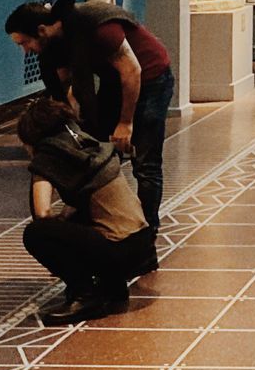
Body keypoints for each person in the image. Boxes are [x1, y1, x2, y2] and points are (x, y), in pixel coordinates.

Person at [5, 0, 174, 242]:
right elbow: (64, 90)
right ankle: (98, 223)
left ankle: (146, 233)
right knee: (96, 154)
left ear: (41, 30)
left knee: (145, 162)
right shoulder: (55, 45)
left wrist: (125, 123)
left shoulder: (97, 26)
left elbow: (132, 71)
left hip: (150, 77)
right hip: (113, 80)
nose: (25, 50)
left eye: (24, 43)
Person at [18, 96, 154, 325]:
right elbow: (88, 197)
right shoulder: (87, 144)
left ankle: (85, 295)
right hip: (142, 246)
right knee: (81, 219)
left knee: (36, 233)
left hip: (117, 250)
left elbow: (41, 213)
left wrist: (38, 170)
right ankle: (113, 288)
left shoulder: (49, 154)